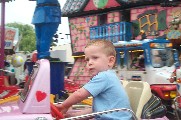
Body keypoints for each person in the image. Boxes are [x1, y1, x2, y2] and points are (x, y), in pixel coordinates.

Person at [56, 39, 132, 119]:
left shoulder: (104, 76)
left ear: (110, 61)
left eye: (95, 58)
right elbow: (97, 110)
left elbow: (79, 94)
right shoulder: (110, 76)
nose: (90, 62)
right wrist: (74, 116)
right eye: (87, 59)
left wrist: (64, 105)